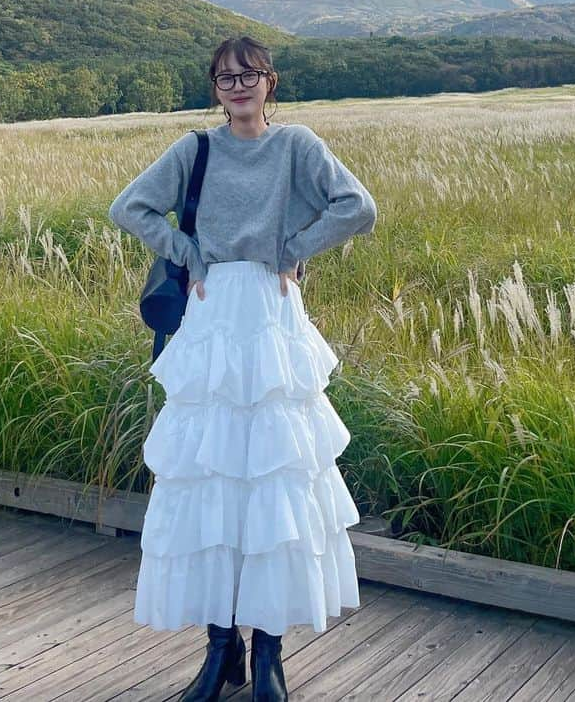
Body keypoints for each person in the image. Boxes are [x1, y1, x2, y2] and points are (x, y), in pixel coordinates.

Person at [108, 35, 378, 702]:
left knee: (272, 480)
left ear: (270, 82)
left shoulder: (297, 147)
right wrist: (188, 254)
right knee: (212, 478)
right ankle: (220, 649)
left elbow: (358, 207)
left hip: (272, 313)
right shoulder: (195, 150)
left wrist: (295, 250)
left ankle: (269, 657)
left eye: (248, 75)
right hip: (212, 315)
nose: (237, 86)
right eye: (226, 77)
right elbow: (129, 207)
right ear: (214, 87)